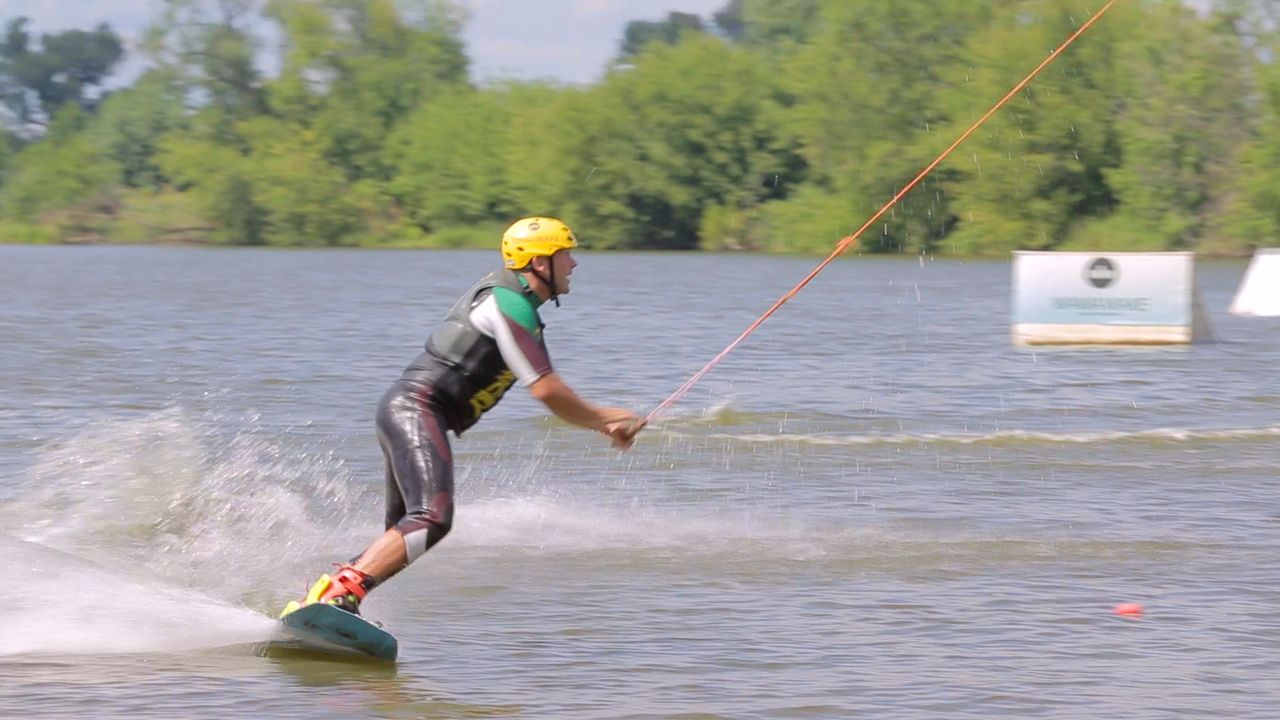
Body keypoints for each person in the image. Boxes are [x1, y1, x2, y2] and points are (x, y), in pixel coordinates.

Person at [281, 216, 645, 617]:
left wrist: (604, 420)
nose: (574, 264)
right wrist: (604, 419)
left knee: (405, 527)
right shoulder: (507, 303)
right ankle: (338, 595)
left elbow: (548, 389)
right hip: (417, 409)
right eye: (567, 254)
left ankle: (327, 600)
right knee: (432, 517)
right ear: (541, 263)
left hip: (408, 410)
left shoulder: (516, 304)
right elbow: (546, 389)